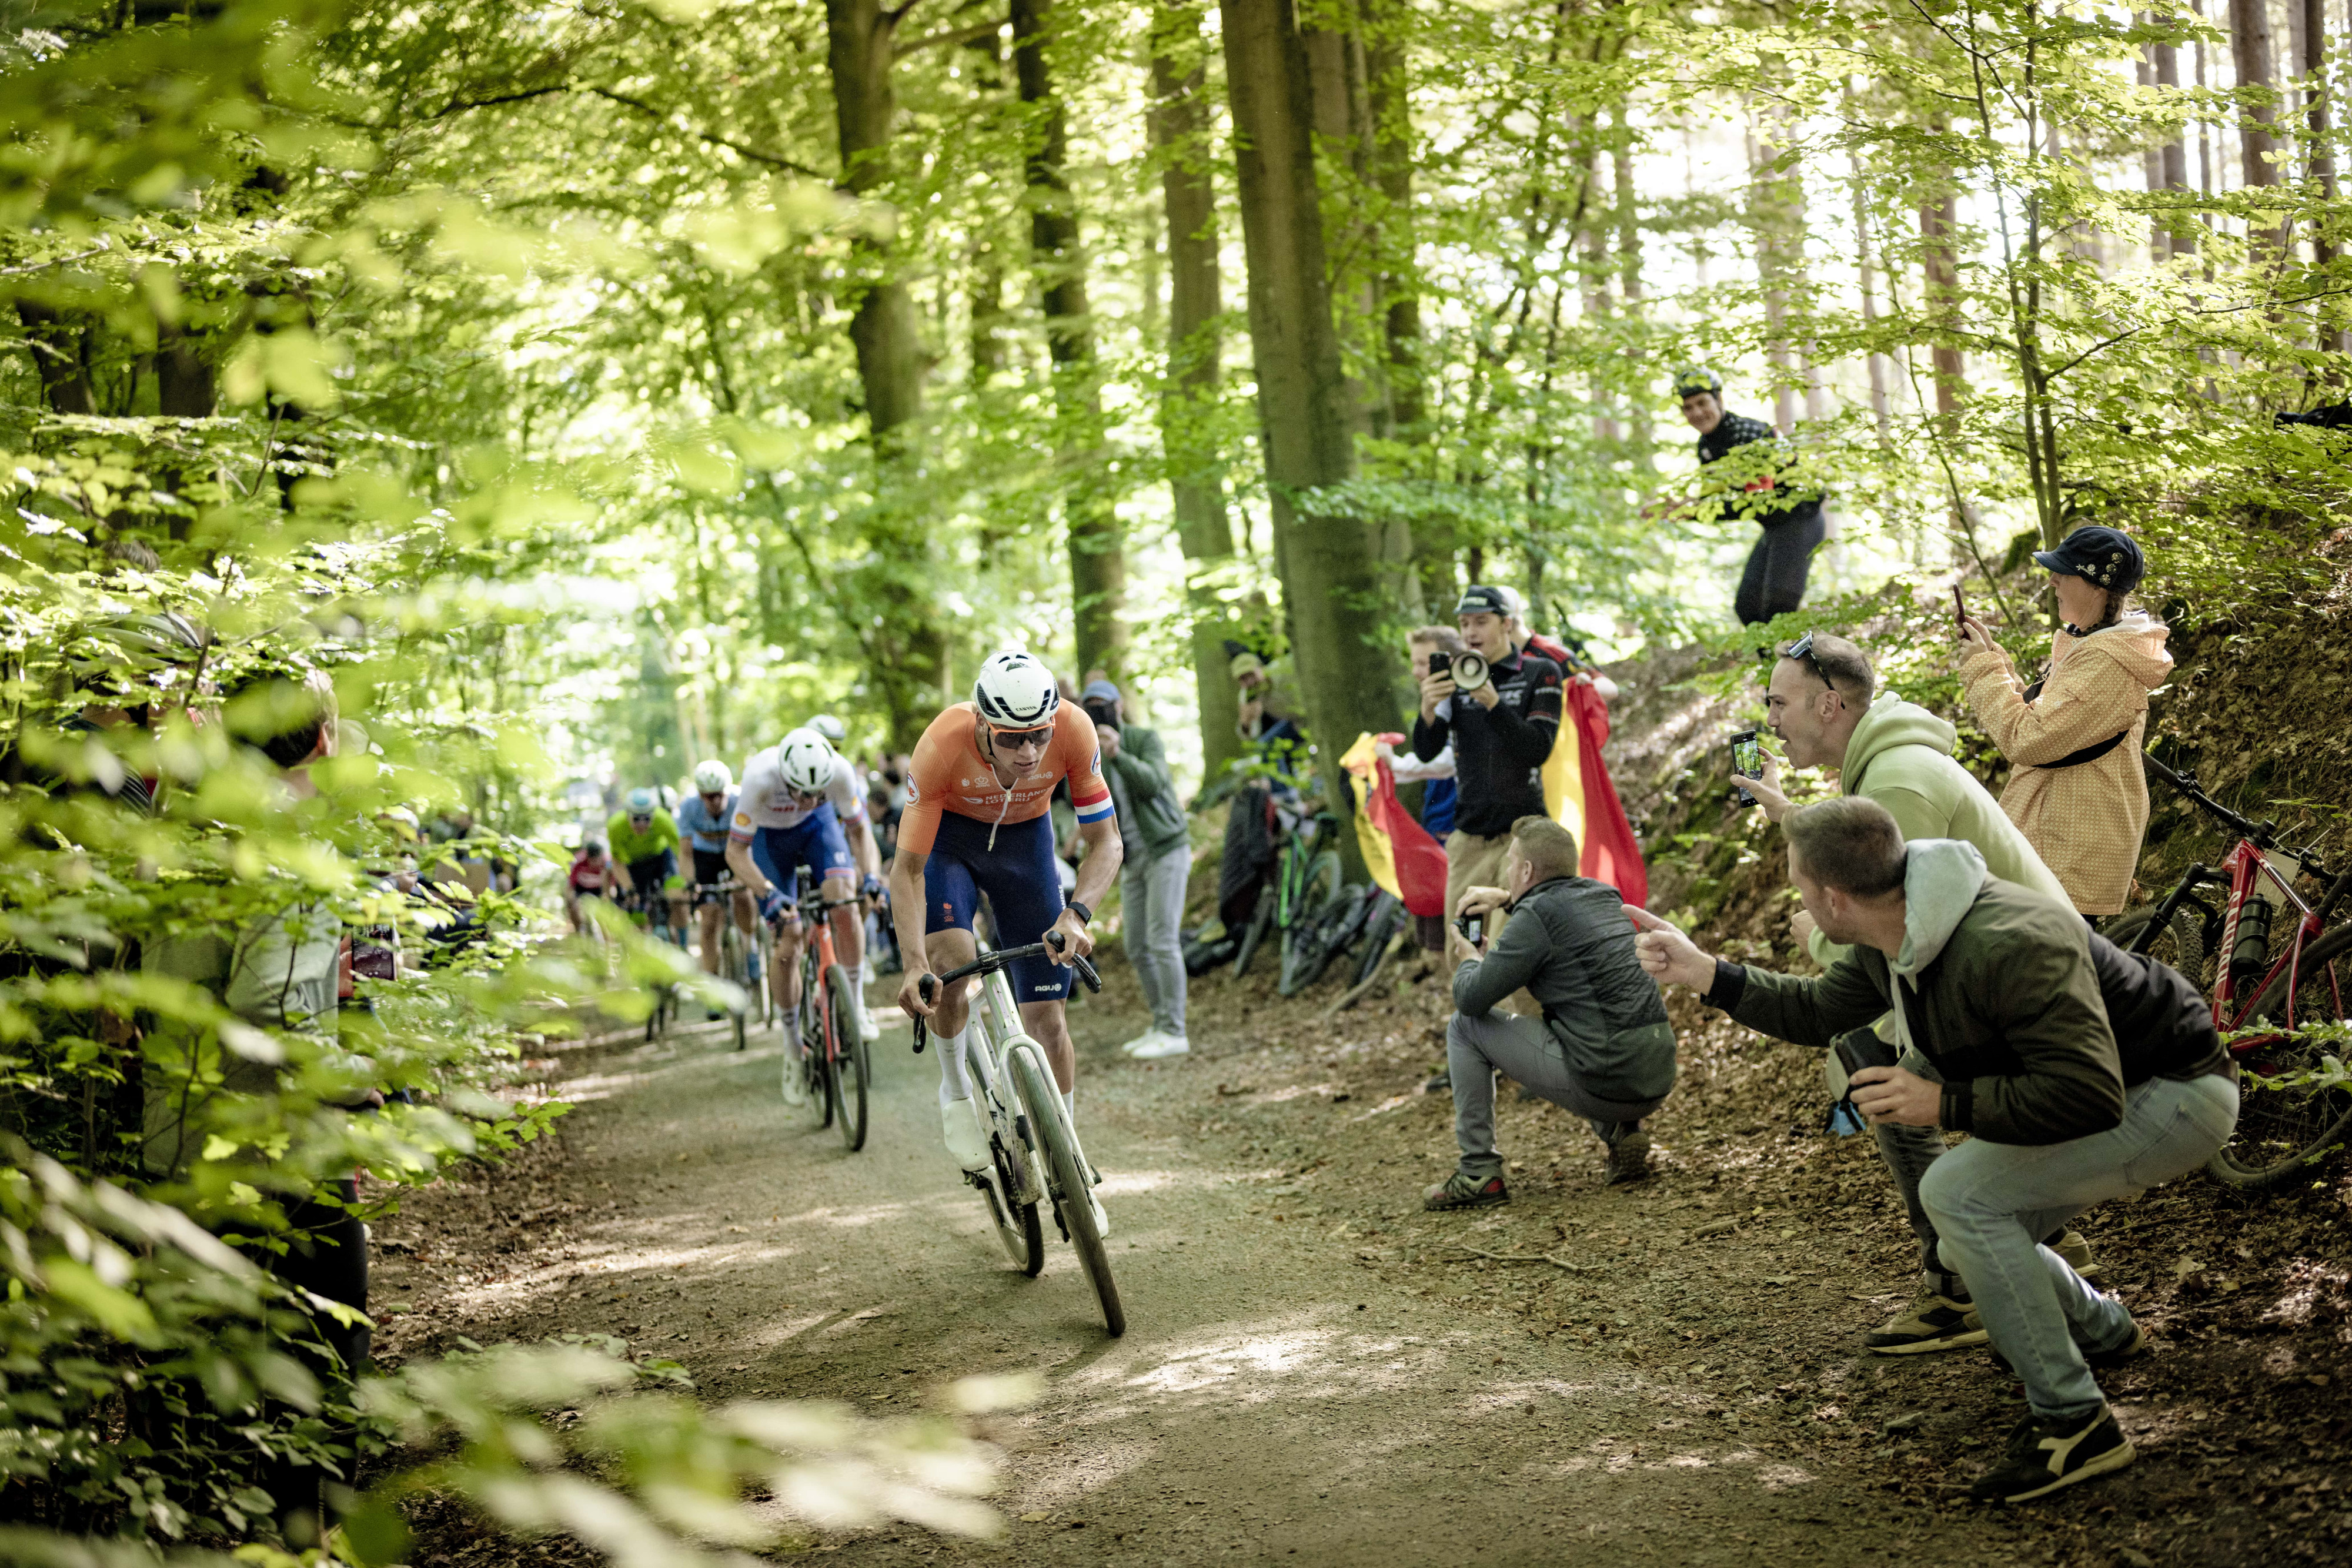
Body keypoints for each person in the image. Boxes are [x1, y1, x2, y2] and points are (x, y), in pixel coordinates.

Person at [1629, 797, 2236, 1502]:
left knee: (1956, 1196)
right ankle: (2102, 1327)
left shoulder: (2004, 941)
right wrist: (1705, 973)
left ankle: (2073, 1423)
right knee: (1960, 1243)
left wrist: (1941, 1104)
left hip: (2176, 1097)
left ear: (1832, 898)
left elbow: (2087, 1093)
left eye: (1797, 887)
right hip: (2125, 1095)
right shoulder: (1899, 927)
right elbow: (1819, 1010)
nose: (1796, 901)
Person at [1740, 629, 2088, 1353]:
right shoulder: (1881, 764)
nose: (1768, 717)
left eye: (1778, 702)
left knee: (1871, 1067)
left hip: (2031, 992)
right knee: (1873, 1060)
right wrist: (1787, 817)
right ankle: (2042, 1237)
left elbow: (1902, 932)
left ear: (1829, 704)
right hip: (2004, 978)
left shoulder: (1893, 780)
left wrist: (1815, 932)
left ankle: (1962, 1283)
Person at [141, 670, 378, 1544]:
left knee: (214, 1380)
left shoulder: (189, 825)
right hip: (274, 1148)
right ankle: (307, 1543)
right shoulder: (290, 838)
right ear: (323, 737)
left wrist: (323, 974)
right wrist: (357, 1076)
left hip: (181, 1140)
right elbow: (268, 1007)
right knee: (327, 1352)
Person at [889, 651, 1122, 1231]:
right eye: (1013, 739)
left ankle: (1068, 1154)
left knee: (1047, 1016)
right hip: (949, 848)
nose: (1029, 752)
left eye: (1038, 736)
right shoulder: (942, 743)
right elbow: (906, 871)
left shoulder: (1073, 728)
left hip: (1026, 849)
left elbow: (1106, 842)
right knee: (954, 966)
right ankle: (955, 1088)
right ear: (982, 726)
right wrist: (914, 961)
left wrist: (1076, 917)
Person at [1422, 815, 1676, 1207]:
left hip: (1607, 1078)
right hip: (1657, 1071)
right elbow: (1555, 911)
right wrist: (1508, 899)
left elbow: (1471, 999)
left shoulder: (1534, 920)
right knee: (1580, 1021)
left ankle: (1478, 1172)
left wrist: (1471, 957)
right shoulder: (1603, 895)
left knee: (1464, 1026)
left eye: (1510, 863)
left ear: (1525, 869)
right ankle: (1621, 1132)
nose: (1507, 870)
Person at [1956, 528, 2173, 917]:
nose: (2053, 580)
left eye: (2064, 572)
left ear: (2096, 587)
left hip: (2070, 856)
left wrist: (1981, 668)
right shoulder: (2094, 646)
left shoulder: (2105, 662)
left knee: (2047, 977)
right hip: (2058, 848)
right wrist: (1994, 658)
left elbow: (2028, 737)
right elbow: (2048, 718)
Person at [1412, 585, 1563, 972]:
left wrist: (1493, 703)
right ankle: (1478, 1032)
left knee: (1511, 951)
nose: (1472, 631)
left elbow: (1537, 749)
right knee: (1462, 950)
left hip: (1523, 835)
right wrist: (1428, 707)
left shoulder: (1539, 672)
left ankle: (1526, 1029)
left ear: (1506, 623)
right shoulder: (1456, 680)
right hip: (1470, 840)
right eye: (1465, 623)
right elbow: (1427, 750)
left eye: (1482, 621)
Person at [726, 728, 884, 1055]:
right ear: (785, 778)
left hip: (817, 829)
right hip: (771, 840)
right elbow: (735, 853)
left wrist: (871, 876)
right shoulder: (759, 777)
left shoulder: (839, 771)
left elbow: (859, 832)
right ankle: (791, 1041)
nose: (810, 801)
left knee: (845, 903)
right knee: (790, 937)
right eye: (802, 793)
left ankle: (855, 1003)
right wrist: (767, 893)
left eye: (818, 793)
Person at [1661, 368, 1825, 627]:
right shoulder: (1707, 446)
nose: (1696, 413)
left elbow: (1756, 502)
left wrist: (1696, 510)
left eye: (1702, 403)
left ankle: (1813, 665)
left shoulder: (1749, 435)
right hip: (1773, 526)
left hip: (1801, 520)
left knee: (1778, 611)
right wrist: (1683, 508)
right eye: (1687, 407)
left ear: (1719, 400)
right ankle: (1772, 668)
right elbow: (1715, 501)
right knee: (1747, 608)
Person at [1082, 680, 1192, 1061]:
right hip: (1131, 859)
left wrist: (1118, 754)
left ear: (1119, 706)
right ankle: (1161, 1024)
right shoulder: (1090, 753)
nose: (1099, 712)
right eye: (1090, 707)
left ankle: (1175, 1030)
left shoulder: (1143, 738)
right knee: (1138, 946)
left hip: (1166, 849)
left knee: (1163, 940)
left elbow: (1154, 784)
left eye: (1104, 705)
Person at [679, 758, 758, 1005]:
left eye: (719, 795)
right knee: (709, 919)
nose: (714, 801)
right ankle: (712, 987)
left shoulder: (740, 802)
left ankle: (750, 943)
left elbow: (753, 844)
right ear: (700, 795)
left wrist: (743, 876)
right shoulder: (689, 808)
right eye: (708, 796)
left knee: (743, 895)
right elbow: (685, 853)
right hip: (705, 858)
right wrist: (692, 882)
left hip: (737, 851)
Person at [606, 787, 686, 935]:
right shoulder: (616, 826)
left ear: (653, 816)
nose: (642, 824)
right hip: (633, 864)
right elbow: (617, 863)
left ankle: (682, 945)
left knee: (678, 897)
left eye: (647, 819)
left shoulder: (663, 819)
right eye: (636, 819)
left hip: (661, 858)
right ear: (627, 815)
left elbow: (681, 851)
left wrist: (684, 878)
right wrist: (629, 888)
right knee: (635, 912)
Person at [565, 838, 616, 934]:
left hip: (600, 889)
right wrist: (572, 901)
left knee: (605, 913)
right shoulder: (577, 861)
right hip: (581, 889)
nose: (595, 862)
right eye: (592, 859)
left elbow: (612, 885)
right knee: (573, 907)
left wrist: (608, 899)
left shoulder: (608, 863)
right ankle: (578, 932)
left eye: (598, 859)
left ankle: (607, 939)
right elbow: (570, 886)